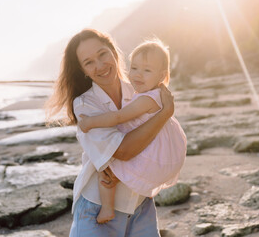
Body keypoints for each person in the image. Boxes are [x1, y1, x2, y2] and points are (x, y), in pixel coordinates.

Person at [46, 29, 176, 237]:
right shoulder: (85, 105)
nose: (99, 65)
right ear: (83, 70)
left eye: (102, 54)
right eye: (89, 62)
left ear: (113, 52)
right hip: (96, 209)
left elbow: (161, 139)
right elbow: (123, 151)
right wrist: (164, 115)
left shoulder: (139, 89)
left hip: (139, 205)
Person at [78, 39, 186, 224]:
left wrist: (90, 122)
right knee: (112, 167)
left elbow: (118, 117)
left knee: (106, 168)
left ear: (162, 76)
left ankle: (107, 208)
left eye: (147, 70)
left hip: (154, 153)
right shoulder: (155, 94)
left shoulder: (146, 99)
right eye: (134, 68)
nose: (138, 75)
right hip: (161, 150)